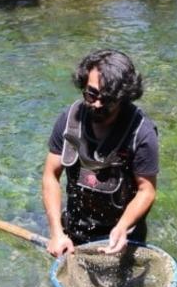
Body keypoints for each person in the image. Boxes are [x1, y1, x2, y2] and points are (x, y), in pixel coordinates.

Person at [42, 50, 160, 258]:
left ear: (123, 97)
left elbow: (146, 190)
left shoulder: (141, 132)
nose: (97, 104)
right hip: (75, 230)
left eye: (107, 99)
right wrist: (56, 233)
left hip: (124, 235)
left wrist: (123, 228)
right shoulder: (68, 121)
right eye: (91, 94)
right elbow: (51, 175)